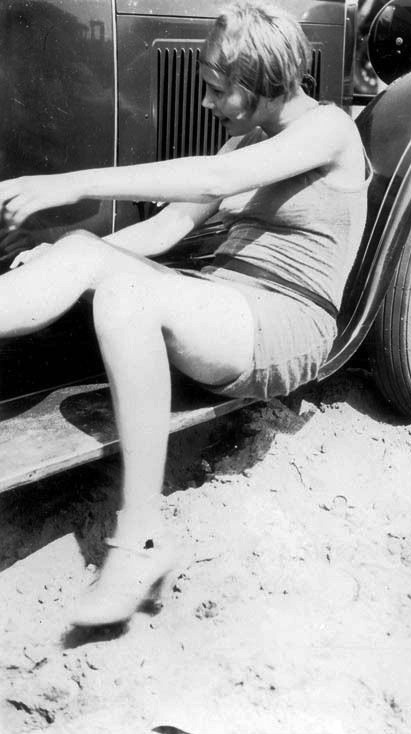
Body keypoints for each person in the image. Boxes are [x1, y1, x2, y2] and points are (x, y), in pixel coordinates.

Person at [0, 1, 371, 627]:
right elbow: (168, 228)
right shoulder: (246, 139)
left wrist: (74, 182)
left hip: (286, 318)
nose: (205, 102)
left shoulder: (329, 128)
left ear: (262, 82)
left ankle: (142, 541)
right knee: (82, 250)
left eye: (218, 90)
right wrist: (69, 258)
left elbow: (213, 180)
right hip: (219, 304)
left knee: (127, 295)